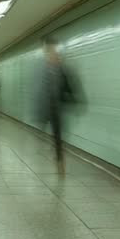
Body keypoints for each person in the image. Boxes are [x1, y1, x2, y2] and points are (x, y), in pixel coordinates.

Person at [38, 37, 79, 174]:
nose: (53, 56)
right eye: (50, 53)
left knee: (58, 134)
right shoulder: (43, 69)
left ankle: (59, 159)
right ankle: (57, 152)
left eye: (54, 54)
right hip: (47, 106)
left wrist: (74, 99)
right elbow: (38, 90)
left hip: (57, 107)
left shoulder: (63, 69)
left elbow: (70, 85)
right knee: (52, 132)